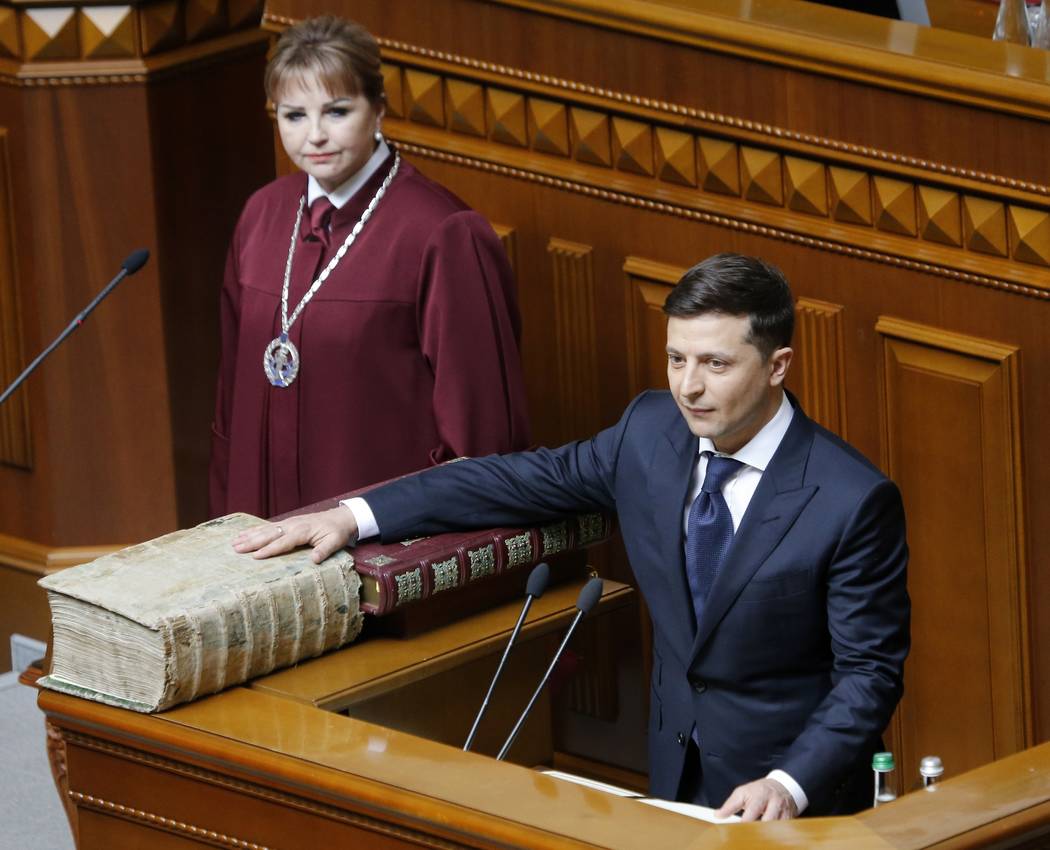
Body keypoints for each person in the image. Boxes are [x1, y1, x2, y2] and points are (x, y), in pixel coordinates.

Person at [234, 253, 910, 820]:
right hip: (675, 777)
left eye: (715, 364)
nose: (689, 387)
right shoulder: (649, 436)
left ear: (778, 364)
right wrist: (357, 514)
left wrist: (787, 784)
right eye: (676, 358)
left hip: (799, 802)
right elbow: (514, 482)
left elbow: (868, 677)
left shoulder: (851, 500)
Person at [209, 16, 530, 518]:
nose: (314, 136)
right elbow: (230, 405)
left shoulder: (444, 232)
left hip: (383, 541)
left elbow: (483, 437)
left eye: (337, 111)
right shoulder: (262, 214)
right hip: (260, 529)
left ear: (377, 109)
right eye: (294, 115)